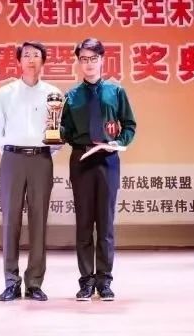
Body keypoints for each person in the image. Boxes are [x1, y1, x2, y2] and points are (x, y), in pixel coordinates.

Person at [60, 38, 136, 302]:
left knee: (105, 224)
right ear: (78, 62)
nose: (89, 64)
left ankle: (104, 281)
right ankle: (86, 282)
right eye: (84, 59)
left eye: (93, 58)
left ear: (102, 60)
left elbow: (129, 125)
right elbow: (65, 131)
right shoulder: (70, 97)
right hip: (81, 160)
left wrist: (117, 142)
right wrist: (54, 130)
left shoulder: (116, 92)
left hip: (107, 160)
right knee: (83, 224)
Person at [0, 41, 62, 302]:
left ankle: (34, 283)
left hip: (41, 159)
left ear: (43, 61)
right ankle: (11, 281)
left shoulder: (54, 94)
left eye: (36, 55)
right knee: (10, 221)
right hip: (12, 158)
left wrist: (47, 153)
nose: (31, 59)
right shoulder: (5, 92)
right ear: (19, 61)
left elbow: (57, 131)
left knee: (38, 221)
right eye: (27, 55)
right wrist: (11, 154)